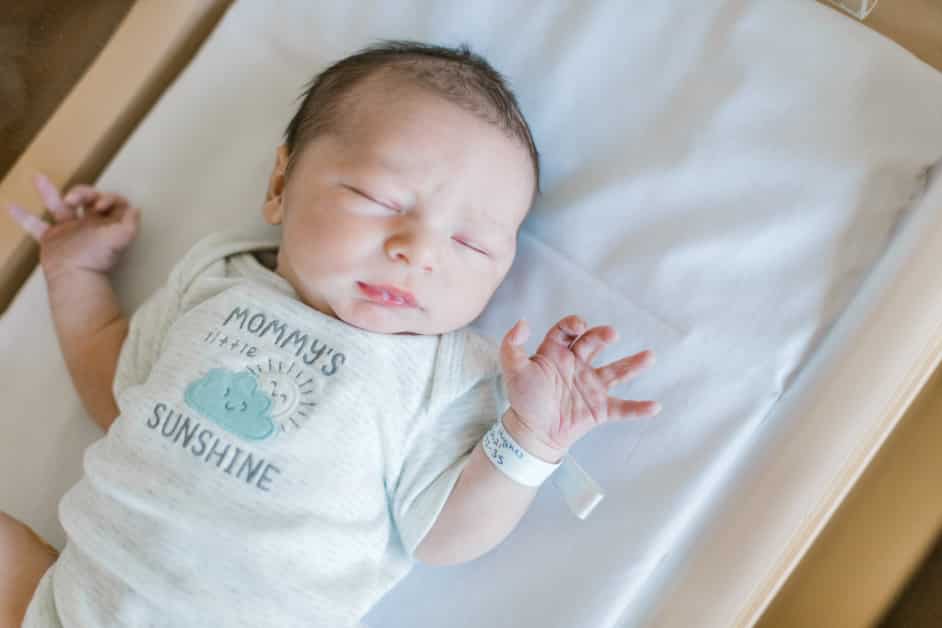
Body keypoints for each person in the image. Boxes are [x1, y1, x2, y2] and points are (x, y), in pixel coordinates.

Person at [3, 40, 661, 627]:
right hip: (68, 600)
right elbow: (118, 394)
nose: (418, 250)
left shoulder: (444, 374)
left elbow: (441, 536)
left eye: (469, 242)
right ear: (281, 184)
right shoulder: (220, 276)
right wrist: (76, 272)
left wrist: (531, 441)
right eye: (380, 198)